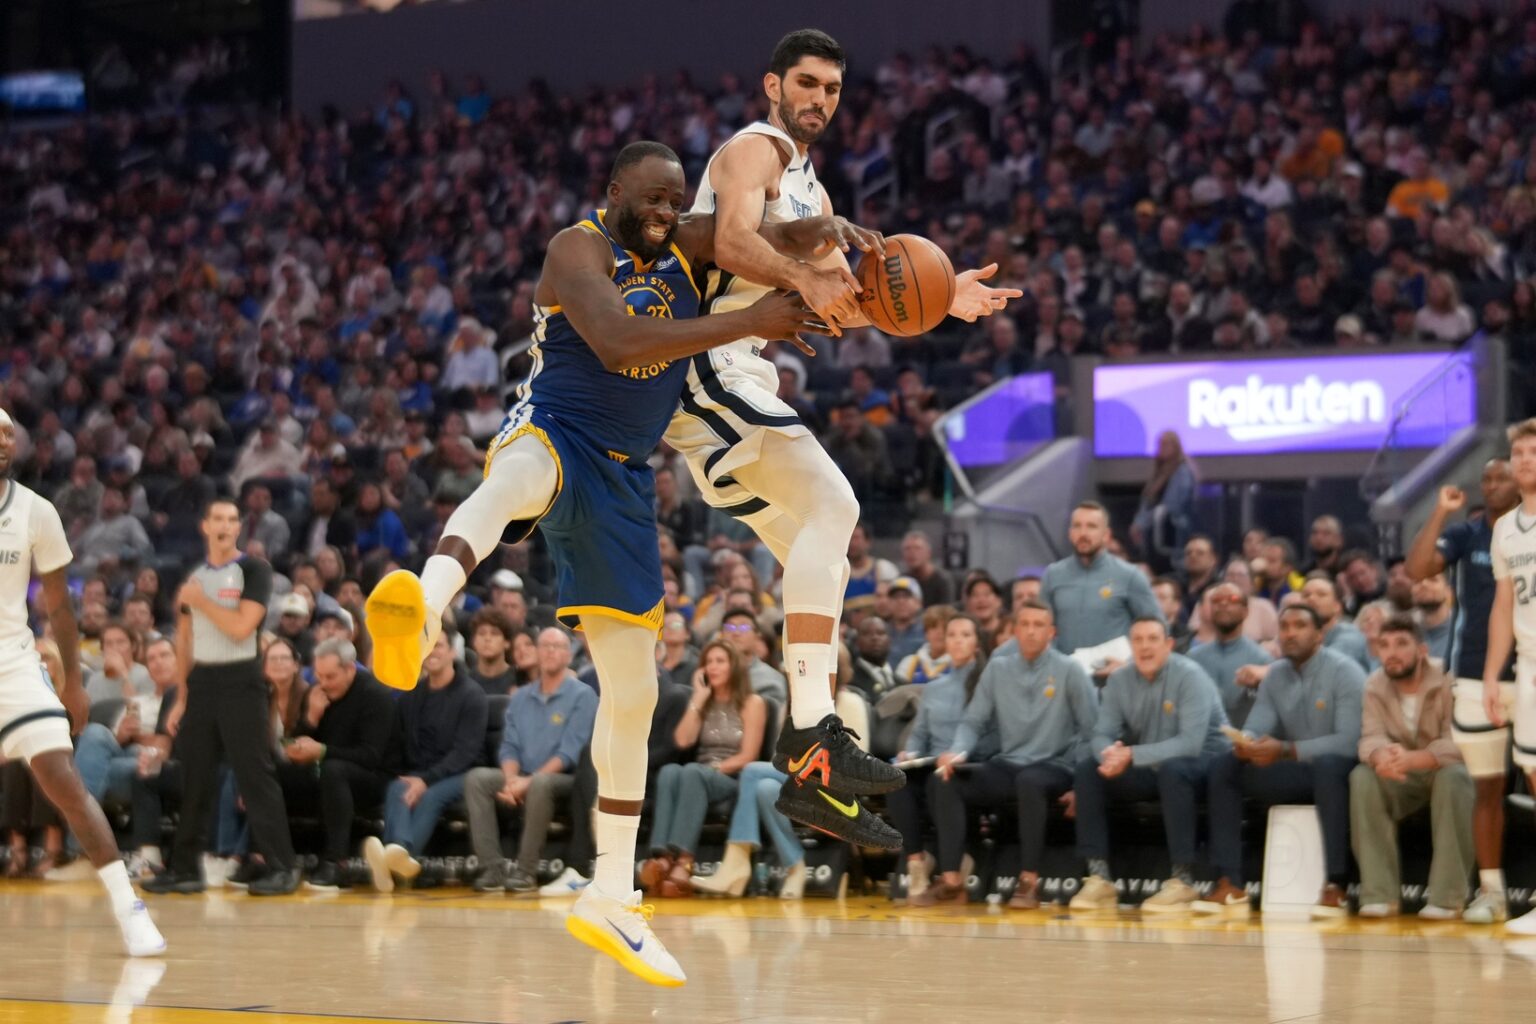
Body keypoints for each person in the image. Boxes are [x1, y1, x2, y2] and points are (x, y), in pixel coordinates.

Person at [363, 141, 860, 985]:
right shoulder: (577, 247)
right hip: (559, 428)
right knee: (517, 479)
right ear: (615, 191)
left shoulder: (688, 241)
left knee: (632, 695)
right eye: (655, 199)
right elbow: (626, 343)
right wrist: (750, 320)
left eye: (678, 201)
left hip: (628, 484)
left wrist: (838, 229)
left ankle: (610, 894)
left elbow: (774, 231)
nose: (669, 212)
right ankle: (425, 597)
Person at [658, 28, 1017, 853]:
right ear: (773, 86)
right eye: (808, 83)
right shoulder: (756, 149)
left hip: (741, 373)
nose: (819, 99)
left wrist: (935, 300)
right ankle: (812, 733)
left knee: (822, 553)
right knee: (837, 502)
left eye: (833, 89)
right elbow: (733, 241)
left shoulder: (816, 198)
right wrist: (803, 271)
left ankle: (812, 772)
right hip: (703, 355)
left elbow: (846, 302)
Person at [0, 408, 163, 954]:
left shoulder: (35, 511)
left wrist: (71, 684)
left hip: (13, 661)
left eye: (8, 433)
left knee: (61, 777)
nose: (3, 441)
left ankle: (128, 905)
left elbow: (61, 611)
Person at [145, 498, 299, 896]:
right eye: (218, 518)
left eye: (232, 519)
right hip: (201, 683)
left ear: (238, 528)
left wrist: (202, 602)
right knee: (193, 777)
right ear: (204, 525)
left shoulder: (254, 569)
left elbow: (242, 628)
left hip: (242, 681)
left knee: (254, 774)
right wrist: (180, 697)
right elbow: (184, 637)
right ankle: (184, 869)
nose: (226, 525)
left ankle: (283, 867)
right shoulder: (194, 575)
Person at [913, 604, 1096, 910]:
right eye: (1024, 624)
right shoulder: (998, 669)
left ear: (1052, 632)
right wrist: (957, 754)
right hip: (1009, 762)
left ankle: (1029, 882)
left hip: (1055, 765)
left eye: (1039, 624)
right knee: (946, 780)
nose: (1031, 630)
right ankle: (951, 881)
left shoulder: (1070, 670)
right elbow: (973, 722)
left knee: (1030, 781)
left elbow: (1092, 730)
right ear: (1014, 631)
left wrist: (1082, 783)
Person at [1403, 463, 1520, 925]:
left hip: (1528, 668)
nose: (1491, 485)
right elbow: (1416, 569)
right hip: (1474, 672)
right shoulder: (1467, 534)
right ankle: (1492, 892)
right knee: (1485, 786)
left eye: (1502, 477)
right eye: (1486, 479)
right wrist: (1439, 511)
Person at [1195, 605, 1365, 918]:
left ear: (1319, 635)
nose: (1289, 633)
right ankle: (1229, 882)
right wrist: (1246, 744)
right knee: (1224, 766)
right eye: (1284, 626)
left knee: (1329, 765)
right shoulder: (1275, 676)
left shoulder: (1345, 671)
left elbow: (1348, 741)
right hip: (1296, 768)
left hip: (1341, 770)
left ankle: (1337, 886)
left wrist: (1286, 749)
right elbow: (1258, 726)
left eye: (1299, 625)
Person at [1070, 618, 1229, 915]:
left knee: (1174, 769)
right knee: (1089, 768)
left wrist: (1130, 754)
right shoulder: (1119, 680)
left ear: (1168, 644)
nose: (1145, 647)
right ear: (1130, 646)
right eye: (1138, 640)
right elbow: (1101, 732)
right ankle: (1099, 878)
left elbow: (1191, 743)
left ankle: (1183, 880)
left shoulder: (1190, 675)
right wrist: (1109, 756)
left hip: (1207, 764)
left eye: (1153, 639)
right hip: (1153, 761)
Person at [1350, 617, 1474, 919]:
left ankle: (1448, 898)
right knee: (1362, 777)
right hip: (1401, 774)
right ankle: (1379, 895)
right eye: (1384, 645)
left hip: (1442, 770)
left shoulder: (1448, 678)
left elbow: (1461, 740)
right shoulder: (1374, 684)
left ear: (1422, 650)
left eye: (1401, 644)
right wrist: (1381, 756)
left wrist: (1420, 758)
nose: (1391, 653)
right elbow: (1370, 736)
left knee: (1455, 776)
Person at [464, 627, 595, 894]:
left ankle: (525, 871)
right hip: (522, 775)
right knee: (477, 779)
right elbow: (509, 746)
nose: (549, 651)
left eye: (557, 646)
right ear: (535, 652)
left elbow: (570, 753)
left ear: (569, 655)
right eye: (544, 645)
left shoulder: (583, 695)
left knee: (541, 783)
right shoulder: (521, 696)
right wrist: (512, 779)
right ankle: (493, 868)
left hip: (566, 780)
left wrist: (526, 782)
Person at [639, 640, 766, 896]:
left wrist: (716, 769)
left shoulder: (753, 702)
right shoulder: (703, 701)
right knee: (670, 771)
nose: (713, 667)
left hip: (733, 776)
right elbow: (683, 740)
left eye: (720, 661)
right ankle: (663, 857)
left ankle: (684, 860)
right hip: (698, 777)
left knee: (692, 772)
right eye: (709, 662)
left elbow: (748, 756)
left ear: (734, 667)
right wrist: (698, 699)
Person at [887, 614, 993, 903]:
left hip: (969, 763)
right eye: (952, 635)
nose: (958, 640)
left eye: (965, 635)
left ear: (977, 642)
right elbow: (920, 734)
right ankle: (917, 862)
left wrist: (958, 756)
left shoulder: (987, 682)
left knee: (939, 781)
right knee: (895, 780)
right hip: (931, 761)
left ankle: (952, 868)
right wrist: (909, 753)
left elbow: (987, 733)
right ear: (944, 642)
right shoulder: (934, 687)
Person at [280, 638, 400, 891]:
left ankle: (337, 863)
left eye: (331, 677)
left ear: (350, 669)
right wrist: (311, 719)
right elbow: (297, 741)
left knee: (334, 771)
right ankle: (271, 858)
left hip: (375, 777)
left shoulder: (376, 695)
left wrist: (321, 751)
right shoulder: (317, 694)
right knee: (274, 771)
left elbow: (371, 756)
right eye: (319, 676)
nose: (323, 683)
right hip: (327, 769)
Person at [371, 632, 489, 887]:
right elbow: (400, 745)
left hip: (463, 772)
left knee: (431, 795)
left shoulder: (472, 695)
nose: (432, 652)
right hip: (422, 772)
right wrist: (413, 777)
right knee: (397, 786)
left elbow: (465, 753)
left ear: (452, 652)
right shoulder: (410, 696)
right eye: (426, 647)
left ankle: (399, 859)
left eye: (438, 645)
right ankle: (399, 854)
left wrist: (425, 780)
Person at [1482, 419, 1536, 934]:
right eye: (1517, 451)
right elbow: (1502, 607)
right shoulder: (1504, 529)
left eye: (1533, 451)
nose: (1524, 459)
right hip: (1529, 669)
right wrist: (1493, 675)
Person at [1041, 502, 1163, 672]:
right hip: (1065, 682)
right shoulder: (1052, 575)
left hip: (1115, 682)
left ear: (1106, 535)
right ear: (1070, 533)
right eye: (1077, 526)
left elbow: (1158, 629)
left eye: (1091, 526)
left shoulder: (1130, 576)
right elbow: (1042, 630)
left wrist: (1130, 664)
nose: (1083, 533)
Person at [1188, 583, 1273, 728]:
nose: (1223, 604)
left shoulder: (1262, 660)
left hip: (1244, 743)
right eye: (1216, 600)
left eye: (1232, 599)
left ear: (1245, 611)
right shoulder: (1192, 659)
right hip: (1201, 743)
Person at [1130, 431, 1197, 567]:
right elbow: (1146, 502)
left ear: (1176, 446)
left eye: (1167, 444)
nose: (1162, 448)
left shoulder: (1183, 472)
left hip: (1173, 534)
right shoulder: (1157, 474)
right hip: (1153, 534)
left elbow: (1172, 505)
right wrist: (1138, 523)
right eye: (1160, 444)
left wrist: (1143, 523)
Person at [1300, 573, 1373, 672]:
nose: (1311, 599)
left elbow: (1325, 667)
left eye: (1321, 594)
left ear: (1337, 606)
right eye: (1306, 595)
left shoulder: (1350, 635)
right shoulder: (1295, 636)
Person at [895, 604, 955, 686]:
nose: (939, 632)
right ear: (926, 633)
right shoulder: (908, 663)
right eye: (934, 627)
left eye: (945, 627)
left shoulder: (962, 667)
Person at [886, 576, 926, 665]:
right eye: (895, 597)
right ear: (888, 603)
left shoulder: (928, 632)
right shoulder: (881, 632)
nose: (901, 601)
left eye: (906, 596)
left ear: (918, 602)